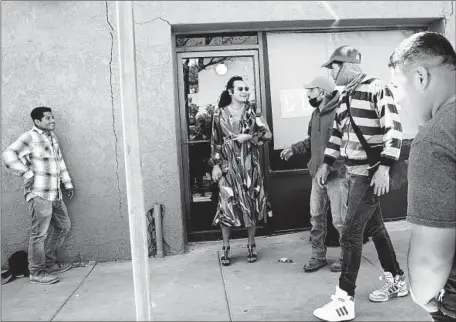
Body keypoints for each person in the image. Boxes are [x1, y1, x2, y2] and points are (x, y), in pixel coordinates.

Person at [313, 46, 407, 321]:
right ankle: (397, 279)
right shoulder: (344, 97)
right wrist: (327, 163)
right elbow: (337, 137)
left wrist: (385, 168)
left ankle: (344, 300)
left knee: (351, 233)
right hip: (354, 173)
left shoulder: (376, 88)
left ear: (349, 65)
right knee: (376, 229)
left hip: (369, 173)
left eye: (333, 66)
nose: (330, 72)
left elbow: (394, 128)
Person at [389, 32, 456, 322]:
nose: (397, 100)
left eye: (396, 87)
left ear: (420, 77)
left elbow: (430, 262)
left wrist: (425, 300)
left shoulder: (435, 138)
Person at [280, 76, 348, 273]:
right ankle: (318, 256)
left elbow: (346, 145)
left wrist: (331, 166)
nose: (308, 94)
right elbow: (312, 140)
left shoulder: (340, 112)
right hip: (317, 174)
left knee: (340, 220)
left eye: (311, 90)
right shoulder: (315, 114)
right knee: (316, 217)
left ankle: (347, 257)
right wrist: (294, 148)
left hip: (337, 174)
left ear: (323, 92)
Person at [2, 107, 74, 285]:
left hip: (55, 193)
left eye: (52, 117)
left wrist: (67, 183)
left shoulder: (51, 137)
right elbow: (7, 154)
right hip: (39, 193)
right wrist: (26, 173)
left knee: (63, 226)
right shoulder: (30, 137)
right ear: (37, 121)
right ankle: (36, 272)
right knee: (39, 234)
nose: (52, 120)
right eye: (48, 118)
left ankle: (49, 264)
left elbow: (59, 162)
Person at [210, 76, 272, 266]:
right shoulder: (218, 114)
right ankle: (226, 246)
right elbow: (215, 142)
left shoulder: (254, 113)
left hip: (249, 166)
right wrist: (215, 165)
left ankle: (251, 244)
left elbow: (267, 135)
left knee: (250, 203)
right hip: (228, 167)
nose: (245, 92)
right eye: (240, 89)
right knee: (226, 204)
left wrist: (249, 137)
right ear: (230, 92)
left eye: (246, 89)